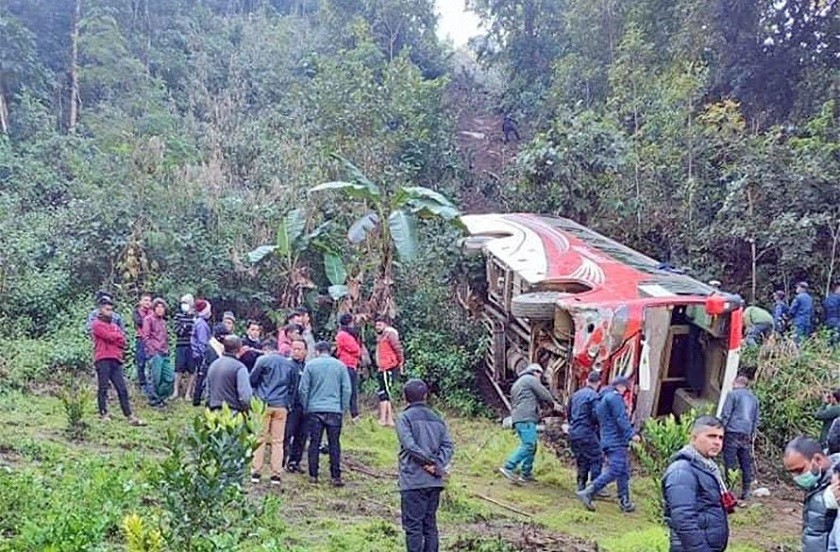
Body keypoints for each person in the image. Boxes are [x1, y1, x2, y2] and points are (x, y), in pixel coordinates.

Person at [396, 379, 455, 552]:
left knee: (413, 527)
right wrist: (437, 466)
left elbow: (410, 446)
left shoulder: (404, 418)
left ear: (405, 397)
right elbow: (448, 446)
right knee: (430, 526)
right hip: (434, 481)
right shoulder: (437, 418)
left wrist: (429, 462)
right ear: (425, 396)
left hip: (413, 481)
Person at [662, 416, 730, 552]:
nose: (717, 442)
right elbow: (683, 518)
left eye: (720, 438)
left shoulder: (709, 468)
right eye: (711, 436)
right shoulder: (682, 471)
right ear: (694, 438)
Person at [576, 376, 639, 513]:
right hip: (616, 440)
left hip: (607, 438)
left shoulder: (602, 397)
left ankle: (625, 502)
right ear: (620, 386)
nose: (625, 391)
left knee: (623, 471)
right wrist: (631, 434)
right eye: (625, 389)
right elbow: (621, 418)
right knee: (615, 469)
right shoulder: (615, 398)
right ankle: (589, 491)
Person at [299, 340, 352, 486]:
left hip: (315, 409)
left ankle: (313, 475)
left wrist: (306, 406)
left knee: (314, 442)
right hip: (334, 409)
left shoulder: (310, 365)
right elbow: (347, 389)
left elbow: (303, 389)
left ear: (317, 351)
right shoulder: (340, 366)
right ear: (330, 351)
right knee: (334, 443)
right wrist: (342, 407)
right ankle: (335, 476)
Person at [499, 364, 562, 484]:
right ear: (535, 372)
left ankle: (526, 473)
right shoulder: (530, 379)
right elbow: (544, 393)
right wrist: (554, 404)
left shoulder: (518, 383)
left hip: (518, 418)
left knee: (532, 446)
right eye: (540, 375)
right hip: (526, 418)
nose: (540, 378)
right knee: (529, 445)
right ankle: (508, 466)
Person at [91, 296, 144, 426]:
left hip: (116, 359)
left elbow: (123, 340)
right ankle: (103, 412)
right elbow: (109, 336)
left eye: (111, 310)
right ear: (101, 309)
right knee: (103, 387)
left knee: (122, 388)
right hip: (102, 358)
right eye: (107, 309)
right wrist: (115, 337)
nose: (110, 312)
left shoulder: (114, 325)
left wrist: (114, 337)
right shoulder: (96, 324)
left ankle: (129, 415)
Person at [783, 436, 840, 552]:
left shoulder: (836, 483)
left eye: (799, 470)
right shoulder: (818, 482)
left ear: (818, 459)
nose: (796, 477)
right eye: (792, 473)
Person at [250, 337, 294, 486]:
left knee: (260, 438)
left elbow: (252, 380)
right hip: (281, 405)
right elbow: (292, 385)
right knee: (278, 441)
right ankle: (276, 474)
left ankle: (256, 471)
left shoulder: (262, 360)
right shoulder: (288, 364)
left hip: (263, 404)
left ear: (266, 349)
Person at [720, 375, 759, 501]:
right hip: (746, 433)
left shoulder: (732, 395)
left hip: (732, 431)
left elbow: (726, 414)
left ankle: (730, 490)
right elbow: (755, 419)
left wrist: (721, 430)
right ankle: (746, 491)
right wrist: (752, 434)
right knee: (745, 462)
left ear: (735, 383)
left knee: (730, 461)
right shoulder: (754, 398)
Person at [568, 371, 604, 492]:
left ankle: (581, 484)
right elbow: (596, 416)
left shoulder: (576, 395)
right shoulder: (594, 397)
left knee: (582, 459)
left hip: (574, 431)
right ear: (598, 383)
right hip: (586, 431)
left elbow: (568, 412)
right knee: (597, 457)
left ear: (587, 381)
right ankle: (595, 487)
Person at [206, 335, 253, 414]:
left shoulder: (214, 364)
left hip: (213, 412)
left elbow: (208, 392)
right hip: (232, 412)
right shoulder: (239, 367)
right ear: (240, 349)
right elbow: (245, 397)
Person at [142, 298, 173, 406]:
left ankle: (161, 397)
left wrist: (167, 349)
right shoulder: (148, 319)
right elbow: (145, 337)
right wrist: (152, 350)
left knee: (169, 377)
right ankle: (154, 400)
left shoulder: (163, 322)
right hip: (155, 353)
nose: (160, 309)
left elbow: (165, 337)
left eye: (162, 307)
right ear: (154, 308)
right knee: (155, 378)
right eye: (158, 307)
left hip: (164, 352)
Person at [375, 315, 404, 428]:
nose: (377, 327)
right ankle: (386, 419)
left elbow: (398, 348)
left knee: (386, 393)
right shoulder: (382, 336)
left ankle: (386, 419)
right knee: (383, 393)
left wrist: (400, 362)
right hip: (382, 367)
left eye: (380, 325)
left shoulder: (390, 334)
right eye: (376, 325)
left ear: (385, 325)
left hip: (388, 367)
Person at [284, 338, 309, 473]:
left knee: (301, 435)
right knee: (286, 434)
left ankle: (295, 461)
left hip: (304, 406)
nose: (296, 352)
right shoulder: (287, 365)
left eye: (299, 349)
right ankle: (281, 461)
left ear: (305, 351)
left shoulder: (307, 367)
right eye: (294, 349)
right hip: (290, 406)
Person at [193, 322, 228, 407]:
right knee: (202, 382)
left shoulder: (220, 345)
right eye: (224, 335)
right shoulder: (212, 346)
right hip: (208, 369)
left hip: (212, 369)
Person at [335, 313, 363, 421]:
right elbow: (356, 349)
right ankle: (353, 414)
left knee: (350, 390)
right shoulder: (343, 335)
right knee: (350, 390)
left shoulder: (344, 334)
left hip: (350, 365)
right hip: (347, 365)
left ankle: (350, 413)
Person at [172, 294, 196, 400]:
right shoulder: (178, 316)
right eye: (182, 303)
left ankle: (188, 393)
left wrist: (186, 328)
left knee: (192, 370)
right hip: (180, 345)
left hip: (192, 346)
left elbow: (195, 331)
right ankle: (175, 392)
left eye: (186, 303)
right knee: (178, 369)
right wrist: (185, 328)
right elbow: (177, 331)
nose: (183, 305)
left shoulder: (195, 316)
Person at [132, 293, 153, 394]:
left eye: (149, 300)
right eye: (145, 300)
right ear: (140, 302)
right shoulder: (136, 312)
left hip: (152, 340)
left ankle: (151, 385)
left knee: (152, 362)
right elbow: (139, 322)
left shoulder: (152, 312)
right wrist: (149, 320)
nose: (147, 302)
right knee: (141, 363)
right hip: (141, 339)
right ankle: (143, 385)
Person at [191, 299, 212, 393]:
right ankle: (199, 394)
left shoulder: (198, 321)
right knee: (202, 375)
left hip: (196, 353)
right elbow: (202, 342)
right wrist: (205, 355)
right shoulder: (201, 324)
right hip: (200, 354)